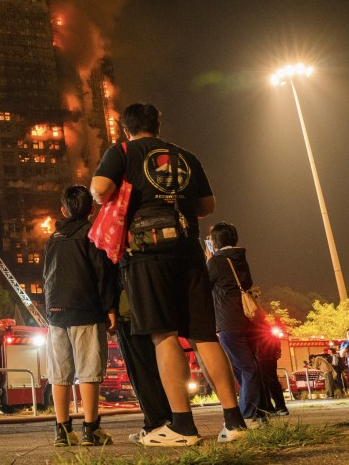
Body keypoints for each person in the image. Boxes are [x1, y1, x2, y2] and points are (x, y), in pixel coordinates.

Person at [91, 103, 248, 446]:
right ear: (158, 124)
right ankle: (234, 420)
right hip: (189, 251)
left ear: (125, 128)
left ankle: (182, 426)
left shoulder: (122, 151)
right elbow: (207, 206)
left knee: (164, 335)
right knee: (204, 336)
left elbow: (101, 190)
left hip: (147, 255)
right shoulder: (186, 155)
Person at [42, 185, 118, 446]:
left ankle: (62, 431)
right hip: (85, 310)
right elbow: (103, 274)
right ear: (92, 209)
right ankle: (91, 429)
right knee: (88, 371)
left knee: (59, 374)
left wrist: (49, 309)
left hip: (55, 313)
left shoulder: (53, 238)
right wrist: (110, 308)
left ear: (63, 210)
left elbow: (46, 276)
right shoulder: (92, 234)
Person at [205, 222, 264, 424]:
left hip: (228, 321)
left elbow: (204, 286)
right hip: (248, 318)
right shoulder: (241, 259)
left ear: (215, 241)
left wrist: (208, 260)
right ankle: (255, 410)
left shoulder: (216, 262)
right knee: (246, 366)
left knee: (246, 368)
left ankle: (248, 415)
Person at [113, 270, 173, 442]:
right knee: (161, 366)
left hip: (129, 312)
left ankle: (155, 423)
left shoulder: (118, 246)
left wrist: (109, 307)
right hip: (157, 306)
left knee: (141, 372)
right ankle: (175, 418)